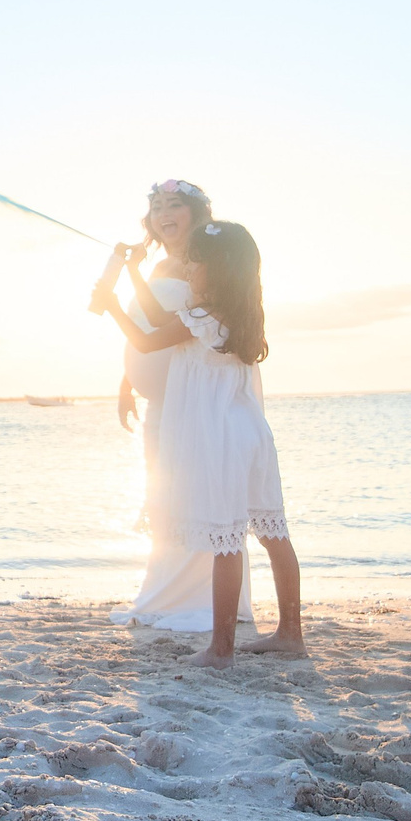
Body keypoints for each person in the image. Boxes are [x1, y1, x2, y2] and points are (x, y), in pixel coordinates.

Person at [91, 218, 302, 665]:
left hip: (219, 436)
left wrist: (111, 305)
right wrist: (132, 274)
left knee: (226, 542)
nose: (187, 271)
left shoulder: (204, 317)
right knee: (273, 534)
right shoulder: (233, 312)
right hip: (250, 433)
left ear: (220, 268)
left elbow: (147, 340)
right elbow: (157, 314)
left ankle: (221, 649)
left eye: (196, 264)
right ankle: (290, 634)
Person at [107, 180, 252, 634]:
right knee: (163, 495)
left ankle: (202, 599)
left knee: (199, 493)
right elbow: (150, 322)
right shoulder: (160, 265)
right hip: (160, 399)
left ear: (196, 212)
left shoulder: (207, 262)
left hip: (195, 397)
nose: (163, 214)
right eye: (155, 207)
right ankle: (165, 594)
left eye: (174, 205)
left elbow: (174, 327)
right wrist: (128, 380)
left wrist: (115, 293)